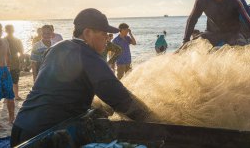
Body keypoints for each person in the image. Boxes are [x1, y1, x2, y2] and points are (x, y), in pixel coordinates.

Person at [10, 8, 151, 146]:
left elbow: (63, 90)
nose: (106, 40)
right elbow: (121, 99)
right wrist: (154, 118)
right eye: (103, 34)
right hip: (44, 136)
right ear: (88, 33)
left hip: (21, 126)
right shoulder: (89, 55)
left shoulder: (56, 48)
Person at [5, 24, 24, 101]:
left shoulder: (17, 40)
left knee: (15, 81)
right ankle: (10, 96)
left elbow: (21, 53)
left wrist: (21, 62)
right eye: (8, 30)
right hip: (6, 62)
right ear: (6, 31)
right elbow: (22, 53)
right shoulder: (3, 40)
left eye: (11, 29)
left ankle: (15, 96)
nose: (10, 31)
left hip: (14, 62)